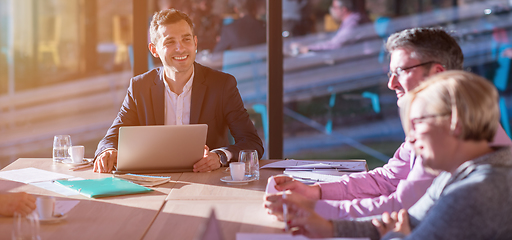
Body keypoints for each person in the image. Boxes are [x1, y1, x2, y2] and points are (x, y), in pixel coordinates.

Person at [264, 28, 512, 220]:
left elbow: (401, 207)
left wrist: (313, 208)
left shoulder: (449, 130)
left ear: (437, 72)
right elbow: (388, 179)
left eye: (401, 71)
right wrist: (315, 192)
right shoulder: (432, 116)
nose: (391, 84)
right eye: (389, 73)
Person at [284, 71, 512, 239]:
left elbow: (402, 230)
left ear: (454, 123)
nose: (410, 139)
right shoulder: (459, 172)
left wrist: (395, 236)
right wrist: (330, 228)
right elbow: (408, 222)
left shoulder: (477, 190)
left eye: (417, 124)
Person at [94, 9, 264, 173]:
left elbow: (252, 142)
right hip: (155, 185)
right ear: (154, 50)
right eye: (170, 42)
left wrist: (220, 156)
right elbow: (110, 139)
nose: (180, 48)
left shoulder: (222, 85)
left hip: (208, 183)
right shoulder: (139, 87)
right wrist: (106, 152)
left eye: (186, 40)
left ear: (195, 43)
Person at [294, 0, 370, 53]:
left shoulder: (353, 22)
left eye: (334, 7)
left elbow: (335, 45)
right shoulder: (352, 20)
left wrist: (308, 48)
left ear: (343, 9)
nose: (332, 10)